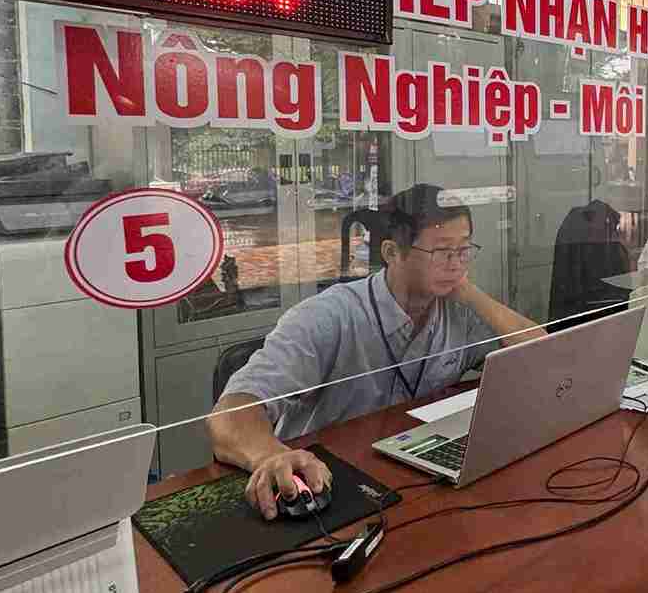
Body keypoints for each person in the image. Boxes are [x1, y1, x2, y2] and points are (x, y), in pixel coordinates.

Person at [208, 183, 539, 518]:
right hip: (325, 485)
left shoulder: (459, 312)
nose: (455, 265)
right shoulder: (330, 316)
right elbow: (232, 411)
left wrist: (473, 296)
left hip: (411, 479)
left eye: (463, 251)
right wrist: (268, 456)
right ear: (392, 253)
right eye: (441, 252)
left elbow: (541, 359)